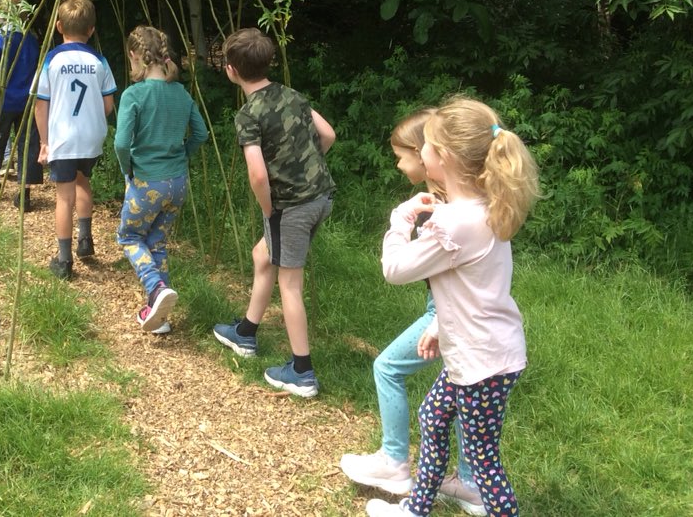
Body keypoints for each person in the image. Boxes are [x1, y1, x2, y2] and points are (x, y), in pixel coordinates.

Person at [365, 96, 539, 517]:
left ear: (441, 156)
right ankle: (415, 509)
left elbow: (394, 269)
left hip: (482, 363)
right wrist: (439, 324)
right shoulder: (483, 207)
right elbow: (477, 288)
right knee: (433, 416)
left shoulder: (453, 222)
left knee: (484, 462)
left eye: (425, 143)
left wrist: (401, 219)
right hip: (486, 352)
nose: (420, 150)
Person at [340, 109, 483, 516]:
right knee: (461, 394)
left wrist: (400, 220)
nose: (399, 165)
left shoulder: (447, 212)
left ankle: (394, 462)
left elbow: (396, 268)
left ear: (426, 155)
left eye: (402, 156)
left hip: (451, 313)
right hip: (460, 315)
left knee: (387, 367)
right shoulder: (462, 201)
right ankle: (470, 483)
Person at [211, 27, 336, 398]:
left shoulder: (248, 114)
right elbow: (328, 135)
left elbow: (257, 175)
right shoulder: (291, 94)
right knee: (262, 255)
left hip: (291, 207)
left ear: (231, 70)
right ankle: (246, 333)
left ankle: (302, 372)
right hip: (321, 196)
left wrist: (270, 209)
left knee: (290, 285)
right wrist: (304, 169)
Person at [115, 26, 209, 335]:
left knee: (129, 237)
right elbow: (201, 133)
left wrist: (129, 169)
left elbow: (121, 143)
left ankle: (155, 288)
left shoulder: (134, 95)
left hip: (147, 181)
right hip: (177, 183)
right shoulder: (180, 93)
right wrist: (182, 155)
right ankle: (160, 317)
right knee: (156, 241)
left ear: (134, 56)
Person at [34, 0, 117, 280]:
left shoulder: (52, 60)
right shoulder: (99, 61)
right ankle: (85, 240)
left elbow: (41, 105)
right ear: (91, 30)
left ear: (59, 26)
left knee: (64, 197)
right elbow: (108, 105)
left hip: (63, 139)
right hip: (91, 138)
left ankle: (64, 260)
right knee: (83, 181)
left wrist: (44, 142)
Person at [0, 0, 43, 208]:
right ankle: (24, 194)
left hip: (3, 101)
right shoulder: (31, 41)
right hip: (27, 102)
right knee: (27, 144)